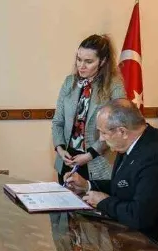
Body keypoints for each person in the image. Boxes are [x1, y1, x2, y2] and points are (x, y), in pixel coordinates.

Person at [65, 99, 158, 237]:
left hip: (149, 241)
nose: (101, 139)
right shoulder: (132, 141)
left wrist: (103, 202)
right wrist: (87, 185)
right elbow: (124, 185)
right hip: (128, 231)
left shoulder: (157, 156)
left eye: (103, 133)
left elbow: (139, 217)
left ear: (122, 131)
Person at [51, 34, 126, 184]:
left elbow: (116, 128)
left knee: (92, 198)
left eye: (88, 61)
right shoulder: (69, 82)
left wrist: (89, 155)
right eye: (79, 59)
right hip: (67, 159)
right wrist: (60, 149)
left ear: (102, 61)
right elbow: (58, 121)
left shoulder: (114, 85)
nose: (81, 66)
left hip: (97, 162)